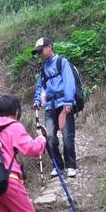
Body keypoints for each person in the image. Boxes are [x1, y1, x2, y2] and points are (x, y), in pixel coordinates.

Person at [32, 37, 78, 178]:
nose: (40, 54)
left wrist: (68, 102)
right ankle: (58, 166)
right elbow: (40, 87)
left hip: (64, 104)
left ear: (50, 47)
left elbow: (69, 81)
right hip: (50, 107)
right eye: (38, 52)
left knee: (67, 136)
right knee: (49, 137)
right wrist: (37, 100)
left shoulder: (61, 62)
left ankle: (71, 166)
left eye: (41, 50)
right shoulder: (43, 70)